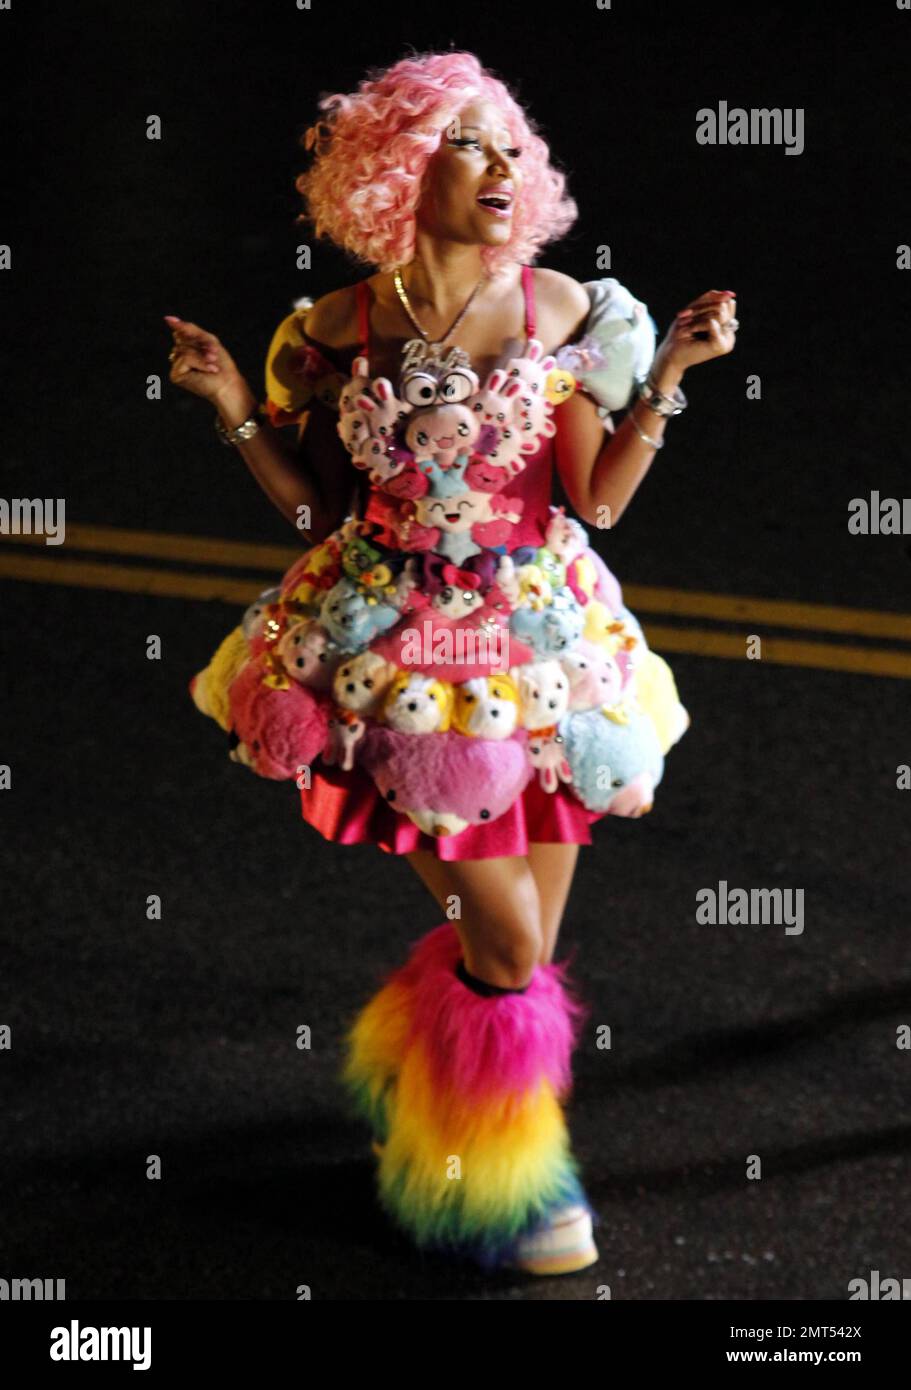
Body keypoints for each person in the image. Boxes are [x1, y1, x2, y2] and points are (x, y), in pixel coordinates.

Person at [166, 50, 738, 1277]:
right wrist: (230, 405)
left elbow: (598, 497)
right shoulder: (334, 327)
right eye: (469, 145)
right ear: (400, 167)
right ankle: (521, 1189)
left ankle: (456, 1127)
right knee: (514, 949)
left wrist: (671, 382)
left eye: (508, 148)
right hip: (397, 650)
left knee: (510, 954)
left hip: (536, 645)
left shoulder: (565, 313)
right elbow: (318, 511)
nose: (500, 168)